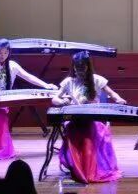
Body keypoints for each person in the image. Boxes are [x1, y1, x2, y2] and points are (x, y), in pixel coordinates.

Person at [52, 51, 126, 183]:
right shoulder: (69, 81)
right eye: (77, 68)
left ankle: (88, 170)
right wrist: (62, 101)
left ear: (88, 66)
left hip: (93, 120)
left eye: (82, 68)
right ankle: (80, 169)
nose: (80, 71)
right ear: (73, 67)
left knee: (88, 136)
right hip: (75, 121)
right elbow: (54, 99)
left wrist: (119, 99)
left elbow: (112, 93)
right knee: (75, 134)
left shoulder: (97, 79)